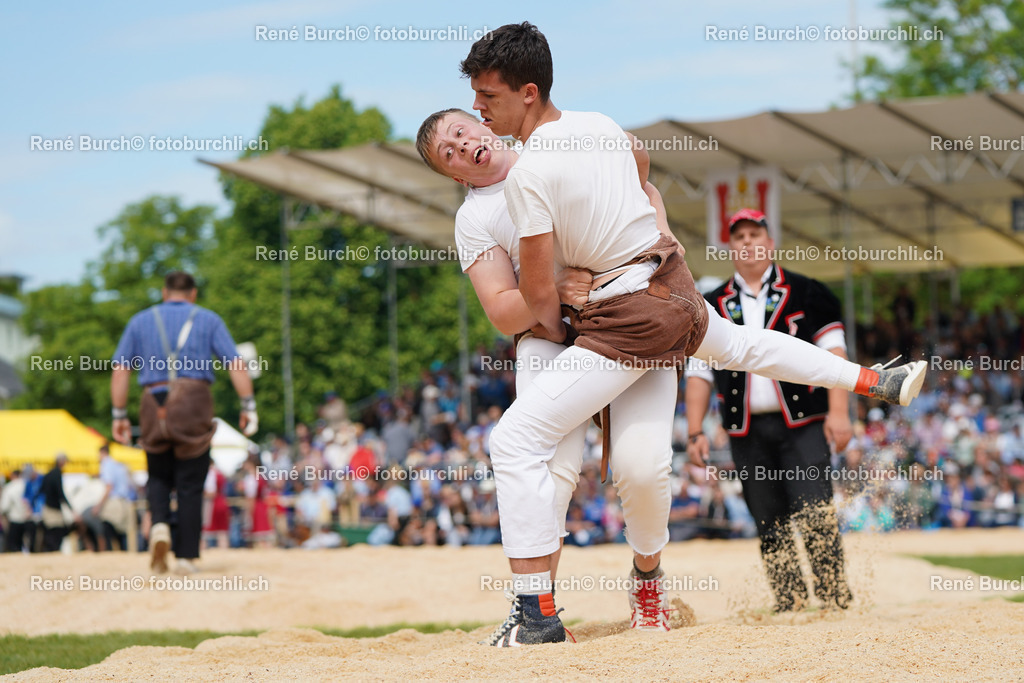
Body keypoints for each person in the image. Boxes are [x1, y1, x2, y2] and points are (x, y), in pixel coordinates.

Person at [457, 21, 927, 645]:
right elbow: (639, 164)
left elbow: (542, 293)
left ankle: (535, 615)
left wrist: (567, 316)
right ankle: (876, 379)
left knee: (514, 440)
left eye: (487, 97)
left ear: (527, 92)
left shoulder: (527, 176)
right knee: (745, 346)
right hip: (674, 286)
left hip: (624, 321)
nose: (480, 111)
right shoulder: (599, 125)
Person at [417, 106, 684, 634]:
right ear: (453, 174)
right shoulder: (474, 217)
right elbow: (500, 310)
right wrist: (549, 291)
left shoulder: (554, 145)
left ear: (484, 124)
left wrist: (628, 158)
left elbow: (640, 175)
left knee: (643, 468)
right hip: (550, 336)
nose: (462, 145)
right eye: (448, 151)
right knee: (548, 469)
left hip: (631, 316)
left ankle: (647, 576)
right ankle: (537, 610)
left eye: (461, 130)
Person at [685, 208, 855, 612]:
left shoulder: (808, 291)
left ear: (770, 242)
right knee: (768, 516)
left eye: (755, 233)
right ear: (730, 247)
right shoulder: (710, 304)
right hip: (746, 431)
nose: (747, 241)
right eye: (739, 235)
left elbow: (835, 352)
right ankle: (790, 600)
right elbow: (699, 371)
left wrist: (840, 412)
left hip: (805, 424)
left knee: (814, 508)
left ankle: (834, 596)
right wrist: (695, 430)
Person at [111, 270, 258, 574]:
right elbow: (235, 362)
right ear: (193, 294)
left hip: (153, 401)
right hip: (193, 401)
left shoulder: (140, 321)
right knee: (191, 482)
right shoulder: (208, 319)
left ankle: (161, 524)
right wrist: (248, 405)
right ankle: (186, 557)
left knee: (158, 474)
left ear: (164, 293)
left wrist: (120, 415)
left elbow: (121, 369)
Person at [81, 443, 134, 551]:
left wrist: (99, 505)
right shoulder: (118, 464)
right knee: (122, 536)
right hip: (124, 502)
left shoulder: (106, 464)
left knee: (107, 532)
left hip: (113, 503)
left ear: (102, 453)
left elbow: (109, 486)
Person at [40, 454, 74, 552]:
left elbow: (41, 491)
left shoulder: (48, 473)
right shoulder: (57, 473)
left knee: (49, 534)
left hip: (47, 508)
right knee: (56, 534)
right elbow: (60, 493)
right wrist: (71, 508)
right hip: (54, 510)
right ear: (61, 461)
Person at [0, 469, 31, 552]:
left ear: (12, 476)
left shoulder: (9, 487)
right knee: (27, 544)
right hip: (28, 518)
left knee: (14, 545)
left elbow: (4, 506)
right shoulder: (27, 485)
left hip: (14, 519)